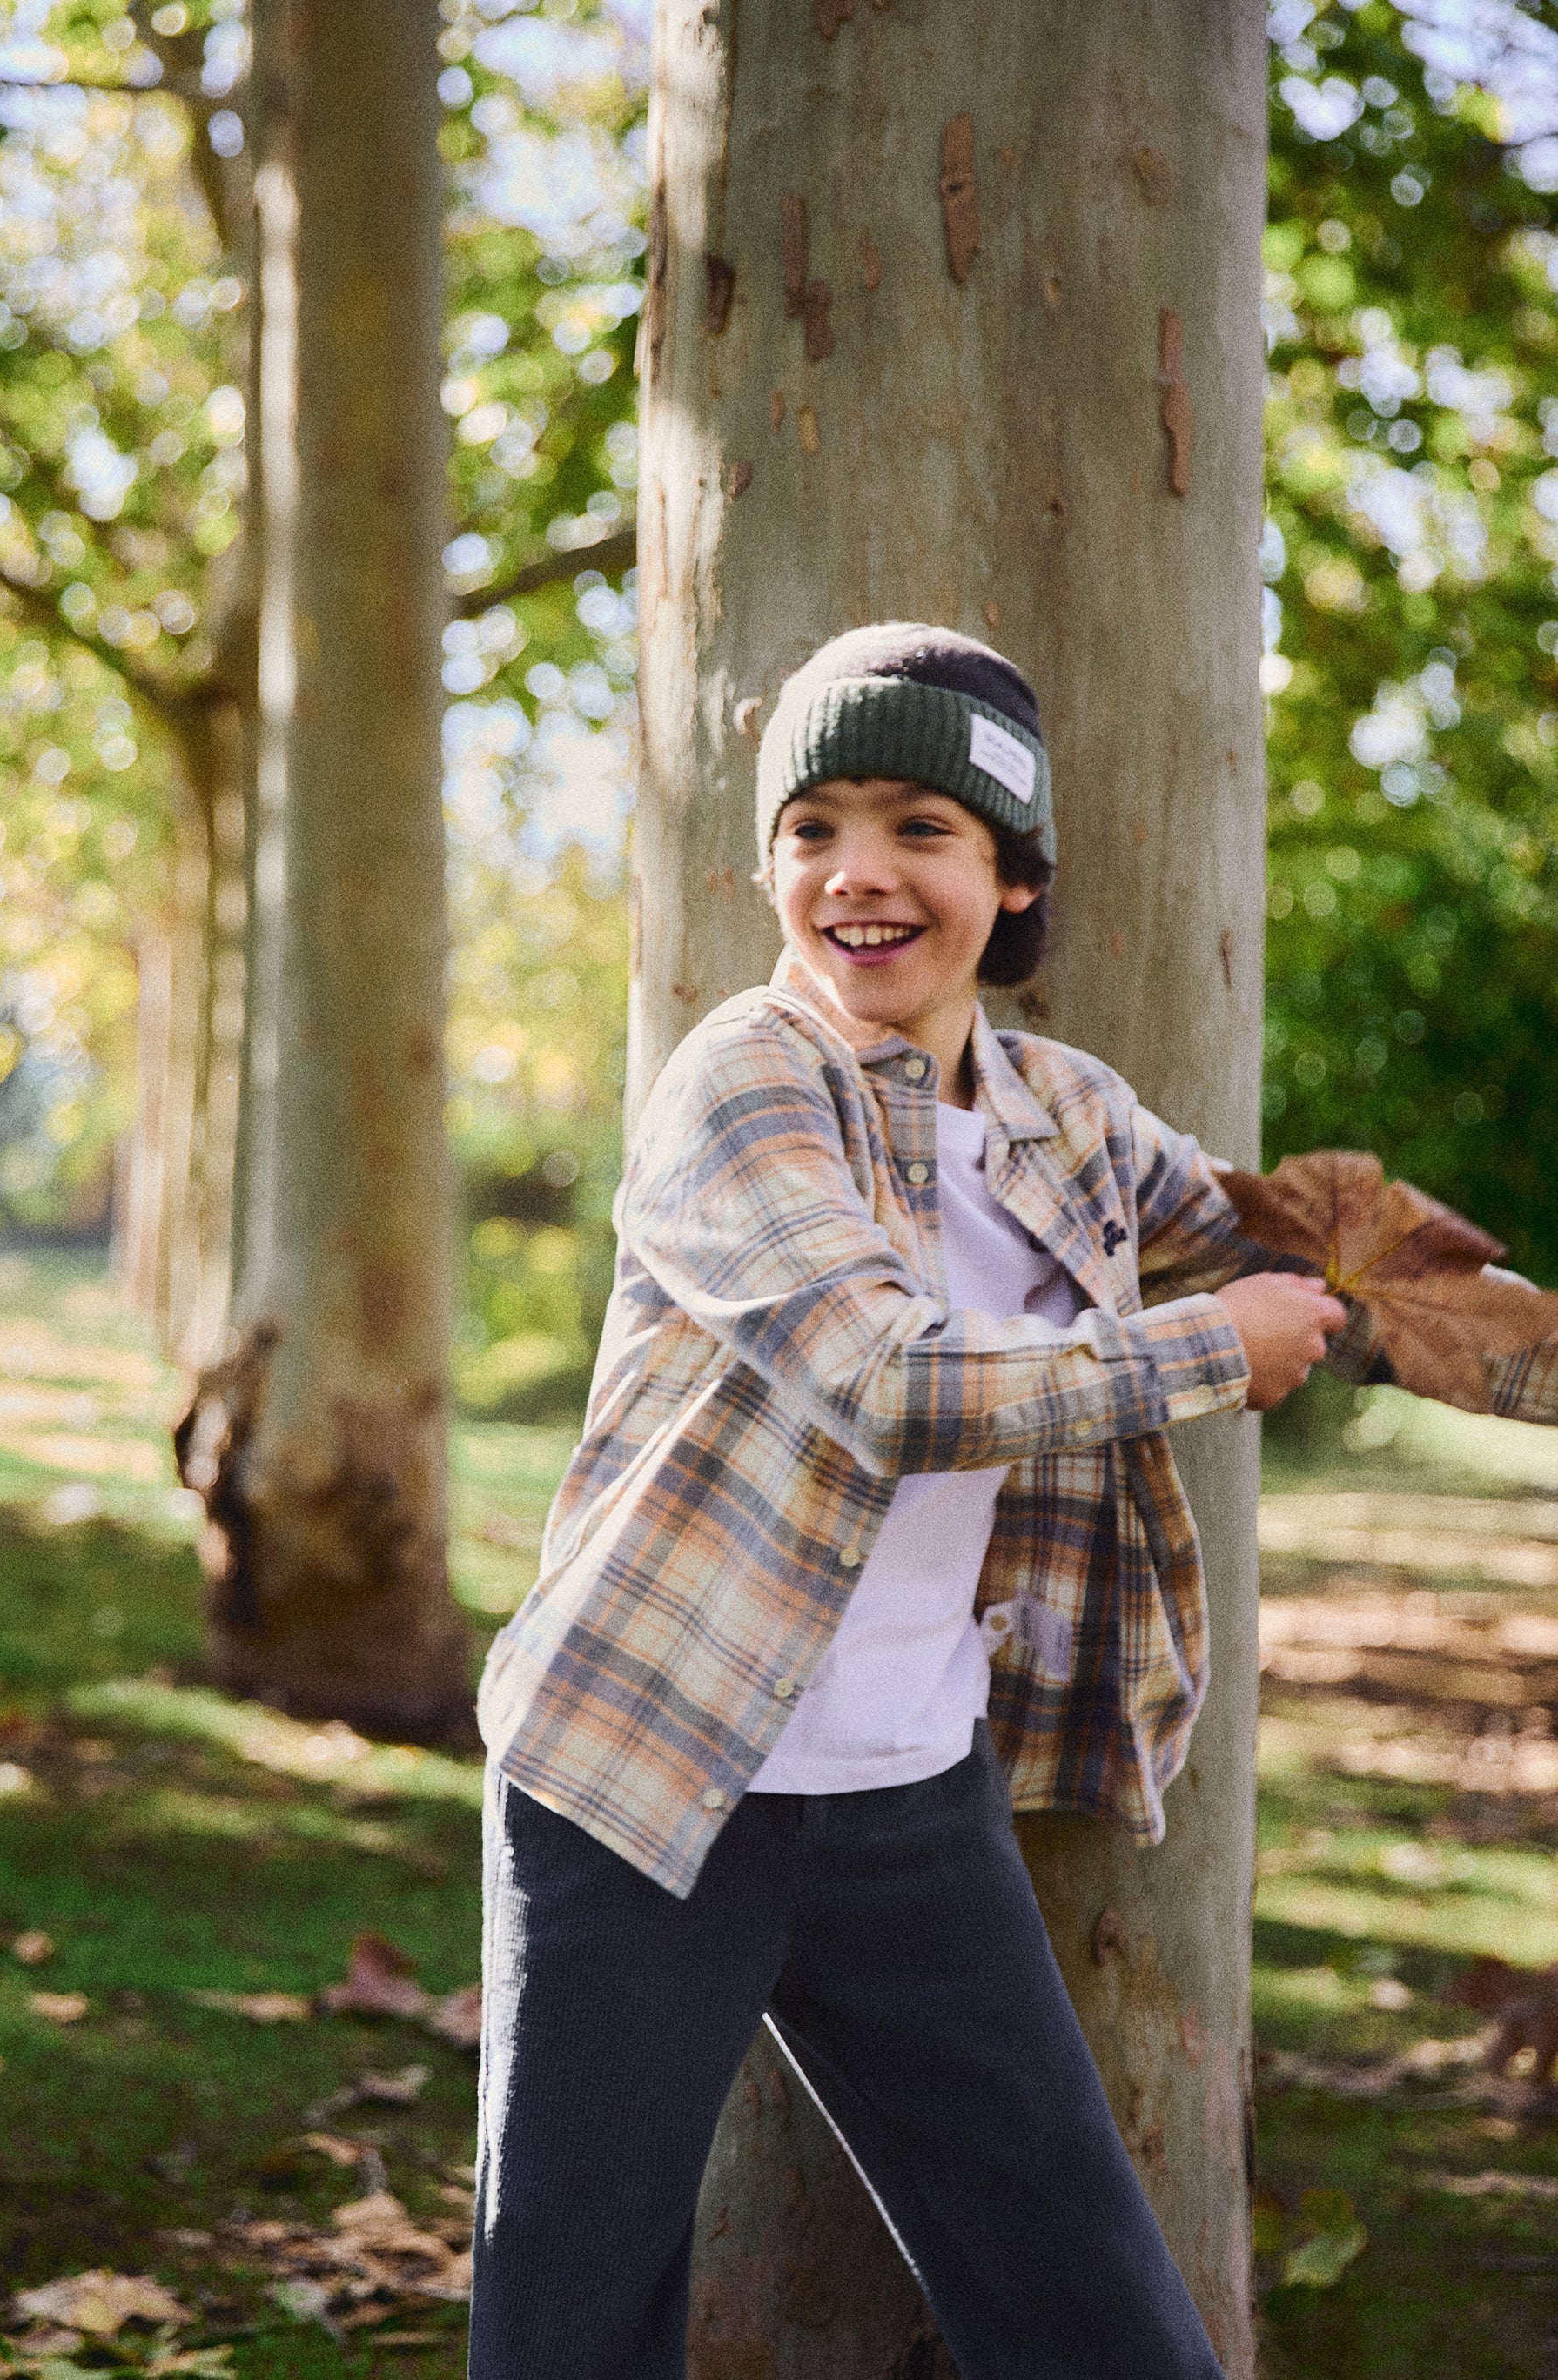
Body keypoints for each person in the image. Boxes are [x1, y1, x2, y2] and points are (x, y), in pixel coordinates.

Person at [467, 624, 1346, 2379]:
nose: (857, 875)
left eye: (919, 828)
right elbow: (894, 1381)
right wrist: (1204, 1348)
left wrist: (1409, 1295)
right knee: (569, 2314)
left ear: (1012, 877)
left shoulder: (1054, 1109)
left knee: (1089, 2306)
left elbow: (1281, 1247)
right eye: (815, 827)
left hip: (904, 1800)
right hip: (652, 1779)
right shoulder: (738, 1083)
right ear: (767, 868)